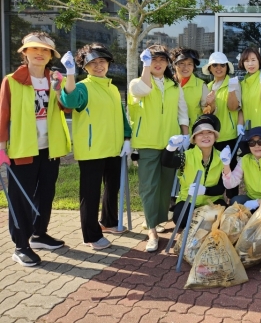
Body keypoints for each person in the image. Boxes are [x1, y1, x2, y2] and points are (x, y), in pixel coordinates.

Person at [0, 32, 71, 266]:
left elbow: (67, 108)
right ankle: (21, 246)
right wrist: (1, 149)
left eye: (45, 50)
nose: (40, 53)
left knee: (46, 193)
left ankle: (39, 234)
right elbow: (3, 116)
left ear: (50, 55)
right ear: (25, 53)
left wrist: (64, 83)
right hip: (23, 149)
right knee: (21, 198)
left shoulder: (54, 80)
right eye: (34, 49)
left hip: (50, 148)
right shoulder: (11, 80)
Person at [60, 44, 132, 250]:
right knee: (90, 193)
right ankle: (91, 235)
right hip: (93, 149)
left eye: (102, 61)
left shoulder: (112, 88)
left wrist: (127, 139)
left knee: (113, 186)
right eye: (92, 63)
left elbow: (121, 115)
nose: (98, 66)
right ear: (85, 67)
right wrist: (70, 74)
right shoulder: (83, 87)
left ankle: (108, 222)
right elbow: (70, 100)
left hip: (115, 146)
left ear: (108, 64)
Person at [129, 45, 189, 252]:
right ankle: (152, 231)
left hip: (170, 143)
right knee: (149, 186)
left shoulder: (174, 85)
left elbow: (182, 112)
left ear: (167, 63)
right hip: (147, 142)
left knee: (166, 185)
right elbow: (142, 91)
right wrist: (145, 68)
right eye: (152, 59)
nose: (158, 63)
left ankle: (158, 218)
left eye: (162, 59)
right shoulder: (138, 82)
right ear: (146, 62)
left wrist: (185, 135)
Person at [162, 114, 227, 224]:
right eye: (200, 133)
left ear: (215, 137)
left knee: (223, 220)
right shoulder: (187, 156)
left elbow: (222, 188)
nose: (205, 136)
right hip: (189, 199)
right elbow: (167, 162)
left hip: (212, 200)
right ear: (194, 139)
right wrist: (171, 147)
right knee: (181, 220)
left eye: (209, 132)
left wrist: (205, 190)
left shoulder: (223, 157)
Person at [203, 51, 242, 197]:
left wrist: (231, 90)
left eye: (222, 65)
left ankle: (232, 204)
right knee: (214, 170)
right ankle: (216, 202)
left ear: (227, 67)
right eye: (215, 65)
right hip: (212, 137)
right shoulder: (208, 86)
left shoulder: (233, 83)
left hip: (228, 136)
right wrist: (210, 103)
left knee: (229, 171)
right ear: (210, 68)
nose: (218, 68)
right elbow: (208, 112)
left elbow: (233, 107)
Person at [171, 47, 210, 122]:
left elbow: (206, 112)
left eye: (190, 64)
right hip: (171, 130)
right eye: (182, 63)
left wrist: (210, 105)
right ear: (174, 65)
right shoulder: (167, 83)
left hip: (192, 131)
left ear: (194, 67)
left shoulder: (201, 85)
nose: (186, 67)